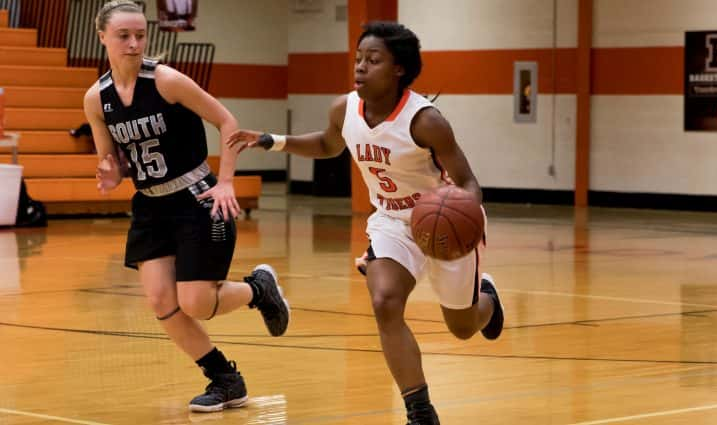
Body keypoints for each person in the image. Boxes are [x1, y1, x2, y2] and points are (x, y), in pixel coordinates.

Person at [226, 21, 504, 425]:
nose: (360, 67)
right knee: (384, 303)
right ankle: (420, 412)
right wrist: (274, 140)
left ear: (399, 70)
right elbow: (327, 143)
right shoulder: (344, 109)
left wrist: (465, 213)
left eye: (373, 60)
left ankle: (489, 301)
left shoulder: (425, 121)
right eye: (358, 58)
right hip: (392, 221)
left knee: (461, 327)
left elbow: (468, 181)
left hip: (441, 219)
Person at [82, 0, 290, 413]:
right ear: (102, 36)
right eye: (124, 35)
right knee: (162, 301)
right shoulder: (96, 99)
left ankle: (258, 289)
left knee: (196, 301)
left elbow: (228, 122)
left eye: (140, 34)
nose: (134, 43)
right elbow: (113, 160)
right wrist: (111, 172)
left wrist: (226, 180)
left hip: (197, 197)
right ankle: (225, 380)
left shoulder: (166, 80)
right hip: (151, 206)